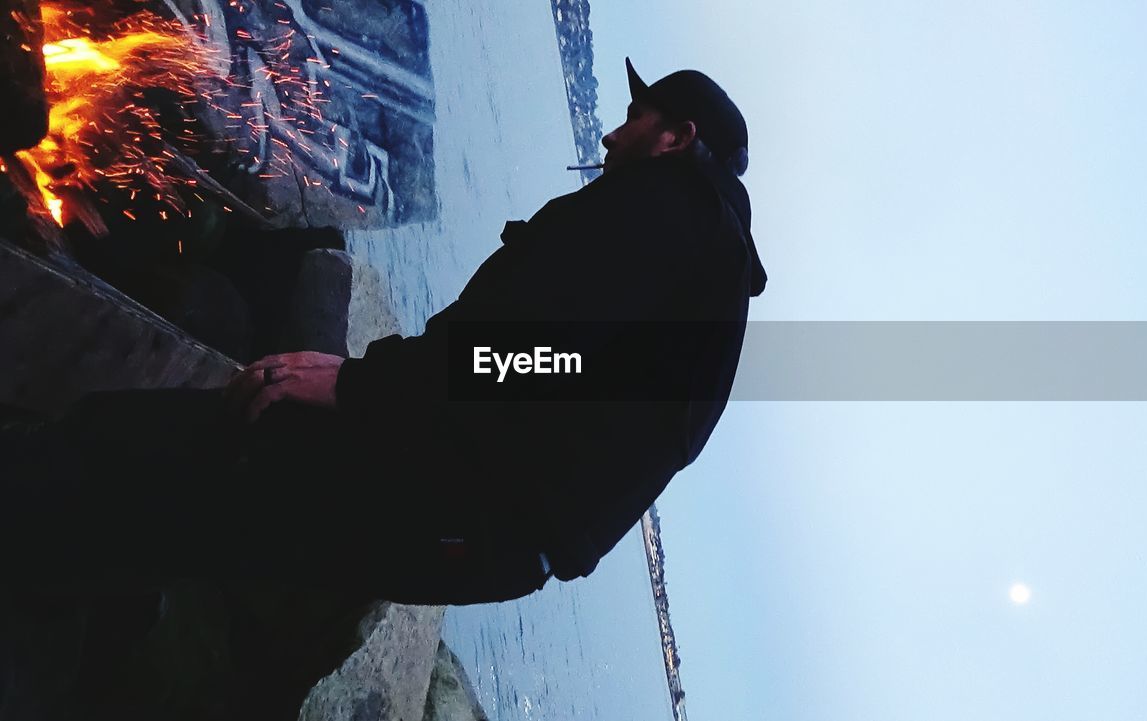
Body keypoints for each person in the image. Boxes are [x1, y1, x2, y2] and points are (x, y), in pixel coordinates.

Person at [1, 57, 767, 607]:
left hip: (455, 499)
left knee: (141, 446)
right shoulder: (708, 284)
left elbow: (542, 355)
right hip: (487, 536)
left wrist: (355, 384)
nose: (612, 136)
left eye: (637, 119)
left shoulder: (666, 215)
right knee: (201, 527)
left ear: (676, 137)